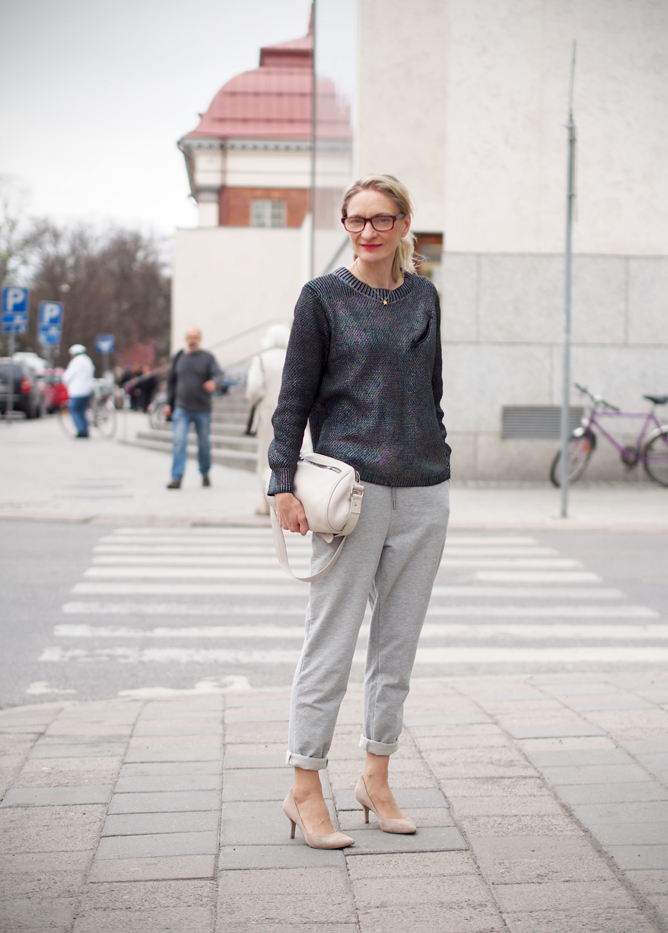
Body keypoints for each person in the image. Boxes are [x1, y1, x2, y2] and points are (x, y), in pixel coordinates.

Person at [269, 174, 451, 849]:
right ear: (345, 224)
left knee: (397, 645)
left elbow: (431, 391)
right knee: (331, 641)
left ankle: (376, 776)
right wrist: (281, 483)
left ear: (404, 224)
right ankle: (304, 786)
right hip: (351, 492)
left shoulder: (424, 297)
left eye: (381, 219)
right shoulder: (322, 297)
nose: (367, 231)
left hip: (424, 490)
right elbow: (293, 397)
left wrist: (438, 454)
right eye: (355, 220)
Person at [163, 327, 222, 488]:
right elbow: (171, 382)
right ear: (186, 339)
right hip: (181, 408)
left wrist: (214, 383)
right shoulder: (179, 357)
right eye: (189, 337)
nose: (192, 340)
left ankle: (205, 473)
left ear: (200, 339)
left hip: (202, 409)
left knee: (204, 444)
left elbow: (218, 374)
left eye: (195, 337)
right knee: (179, 441)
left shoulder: (207, 357)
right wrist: (168, 403)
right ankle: (176, 478)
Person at [246, 325, 291, 515]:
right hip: (292, 412)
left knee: (266, 457)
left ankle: (267, 503)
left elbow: (254, 389)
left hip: (267, 412)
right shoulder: (292, 357)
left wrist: (254, 403)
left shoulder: (262, 359)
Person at [62, 344, 95, 438]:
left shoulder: (75, 362)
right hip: (87, 390)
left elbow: (67, 376)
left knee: (74, 410)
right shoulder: (88, 360)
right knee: (82, 410)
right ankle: (85, 429)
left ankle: (81, 430)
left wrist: (65, 382)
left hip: (77, 391)